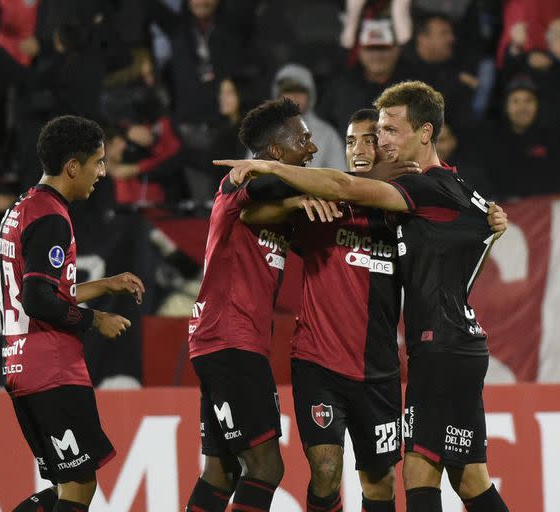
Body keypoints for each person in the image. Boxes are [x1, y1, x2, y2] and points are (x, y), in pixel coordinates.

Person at [217, 80, 510, 512]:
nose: (362, 147)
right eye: (352, 139)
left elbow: (353, 188)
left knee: (396, 480)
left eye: (379, 136)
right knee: (341, 472)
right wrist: (295, 202)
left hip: (391, 366)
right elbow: (253, 214)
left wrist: (274, 168)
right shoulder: (337, 203)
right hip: (324, 361)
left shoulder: (407, 203)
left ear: (412, 138)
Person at [0, 115, 145, 512]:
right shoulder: (51, 217)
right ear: (72, 167)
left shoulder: (23, 207)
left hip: (21, 366)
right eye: (97, 162)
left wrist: (105, 284)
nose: (103, 171)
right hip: (52, 369)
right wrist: (96, 319)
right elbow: (39, 299)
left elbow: (43, 286)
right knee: (79, 485)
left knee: (70, 484)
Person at [184, 97, 318, 512]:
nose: (311, 149)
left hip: (223, 340)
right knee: (265, 468)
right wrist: (271, 175)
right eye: (303, 140)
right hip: (230, 340)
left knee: (221, 471)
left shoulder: (273, 211)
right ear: (275, 152)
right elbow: (261, 185)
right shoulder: (237, 184)